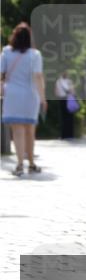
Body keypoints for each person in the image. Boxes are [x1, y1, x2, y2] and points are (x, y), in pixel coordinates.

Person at [1, 22, 46, 176]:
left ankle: (19, 164)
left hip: (12, 95)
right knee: (30, 131)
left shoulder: (6, 52)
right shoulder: (35, 55)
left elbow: (1, 74)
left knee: (17, 131)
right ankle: (31, 163)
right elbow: (38, 77)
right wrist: (43, 98)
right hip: (30, 95)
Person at [54, 71, 76, 139]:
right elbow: (73, 92)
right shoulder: (69, 81)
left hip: (61, 100)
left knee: (62, 118)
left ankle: (63, 135)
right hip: (69, 100)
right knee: (70, 118)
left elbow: (56, 92)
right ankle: (70, 135)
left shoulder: (58, 82)